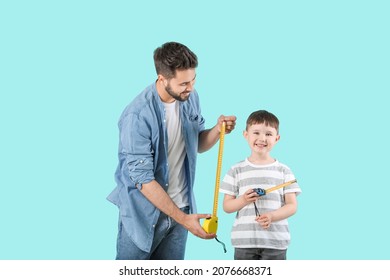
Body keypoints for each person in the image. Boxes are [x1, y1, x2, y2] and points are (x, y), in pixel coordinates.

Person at [107, 42, 236, 260]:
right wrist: (184, 220)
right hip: (143, 216)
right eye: (184, 83)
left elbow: (196, 145)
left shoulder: (189, 98)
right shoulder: (137, 117)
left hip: (182, 209)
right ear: (162, 79)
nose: (191, 87)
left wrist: (217, 130)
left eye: (193, 79)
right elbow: (144, 181)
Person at [220, 110, 301, 260]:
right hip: (244, 242)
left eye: (268, 134)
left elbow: (292, 206)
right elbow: (227, 207)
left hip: (275, 242)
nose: (262, 138)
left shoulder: (284, 171)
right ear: (246, 135)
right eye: (256, 132)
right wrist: (243, 200)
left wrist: (272, 216)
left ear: (277, 138)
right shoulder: (235, 170)